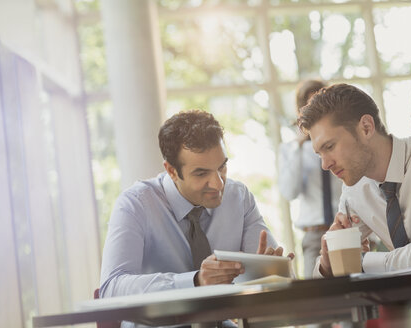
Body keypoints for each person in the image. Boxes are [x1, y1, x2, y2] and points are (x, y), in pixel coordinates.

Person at [100, 110, 291, 307]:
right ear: (172, 171)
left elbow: (278, 276)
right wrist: (195, 281)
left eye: (222, 167)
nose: (218, 185)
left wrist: (269, 272)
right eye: (201, 174)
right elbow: (111, 289)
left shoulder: (238, 197)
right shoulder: (135, 204)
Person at [296, 83, 411, 277]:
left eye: (330, 146)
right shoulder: (355, 192)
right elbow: (322, 273)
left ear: (366, 128)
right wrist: (330, 260)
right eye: (319, 154)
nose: (325, 165)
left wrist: (359, 262)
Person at [278, 80, 342, 278]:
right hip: (315, 236)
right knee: (318, 302)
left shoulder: (342, 142)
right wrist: (298, 146)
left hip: (346, 231)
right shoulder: (290, 150)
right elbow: (290, 192)